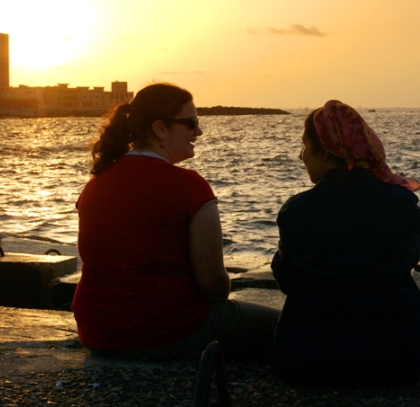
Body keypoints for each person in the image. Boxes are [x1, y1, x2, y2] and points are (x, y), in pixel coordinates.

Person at [72, 83, 280, 362]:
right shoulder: (189, 187)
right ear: (160, 128)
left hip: (98, 333)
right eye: (191, 123)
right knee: (284, 327)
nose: (199, 132)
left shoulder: (95, 184)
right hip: (167, 333)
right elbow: (213, 285)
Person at [270, 100, 420, 387]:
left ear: (326, 150)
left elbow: (286, 278)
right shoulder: (403, 203)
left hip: (311, 362)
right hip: (397, 361)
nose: (299, 155)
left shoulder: (298, 211)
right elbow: (409, 260)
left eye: (304, 145)